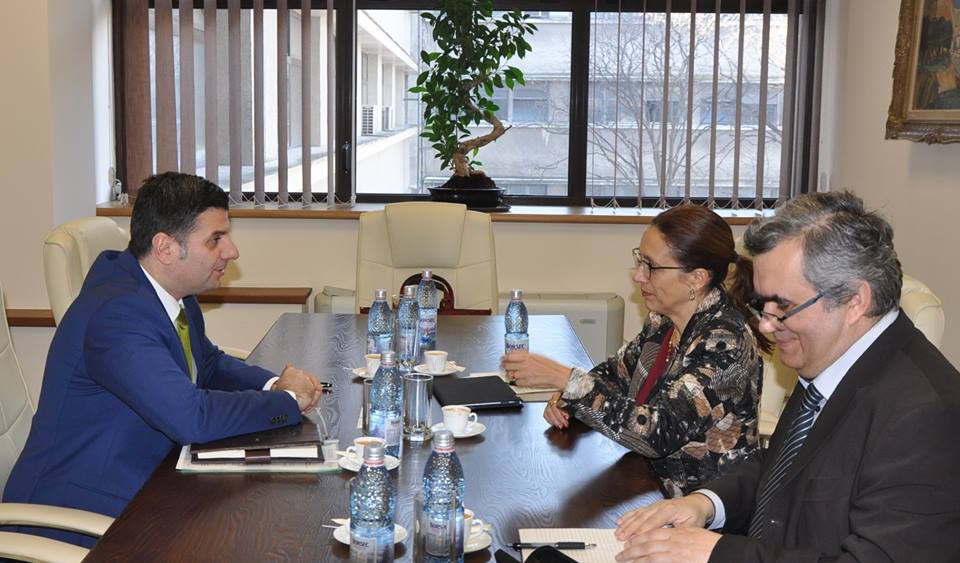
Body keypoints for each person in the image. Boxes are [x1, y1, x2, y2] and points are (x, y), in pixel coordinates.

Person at [614, 191, 960, 562]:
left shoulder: (927, 416)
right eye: (761, 305)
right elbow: (782, 471)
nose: (765, 325)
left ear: (854, 301)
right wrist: (705, 504)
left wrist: (719, 553)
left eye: (784, 307)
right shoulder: (837, 358)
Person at [2, 172, 324, 547]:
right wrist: (286, 401)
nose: (232, 251)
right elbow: (191, 418)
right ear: (165, 248)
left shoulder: (172, 293)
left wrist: (272, 384)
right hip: (78, 516)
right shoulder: (116, 316)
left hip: (149, 483)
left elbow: (208, 364)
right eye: (215, 239)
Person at [502, 205, 768, 498]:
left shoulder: (725, 345)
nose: (639, 276)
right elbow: (616, 375)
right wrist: (569, 399)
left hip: (698, 507)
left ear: (696, 278)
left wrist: (569, 381)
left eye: (651, 266)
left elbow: (659, 433)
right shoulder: (663, 322)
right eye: (640, 261)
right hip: (645, 483)